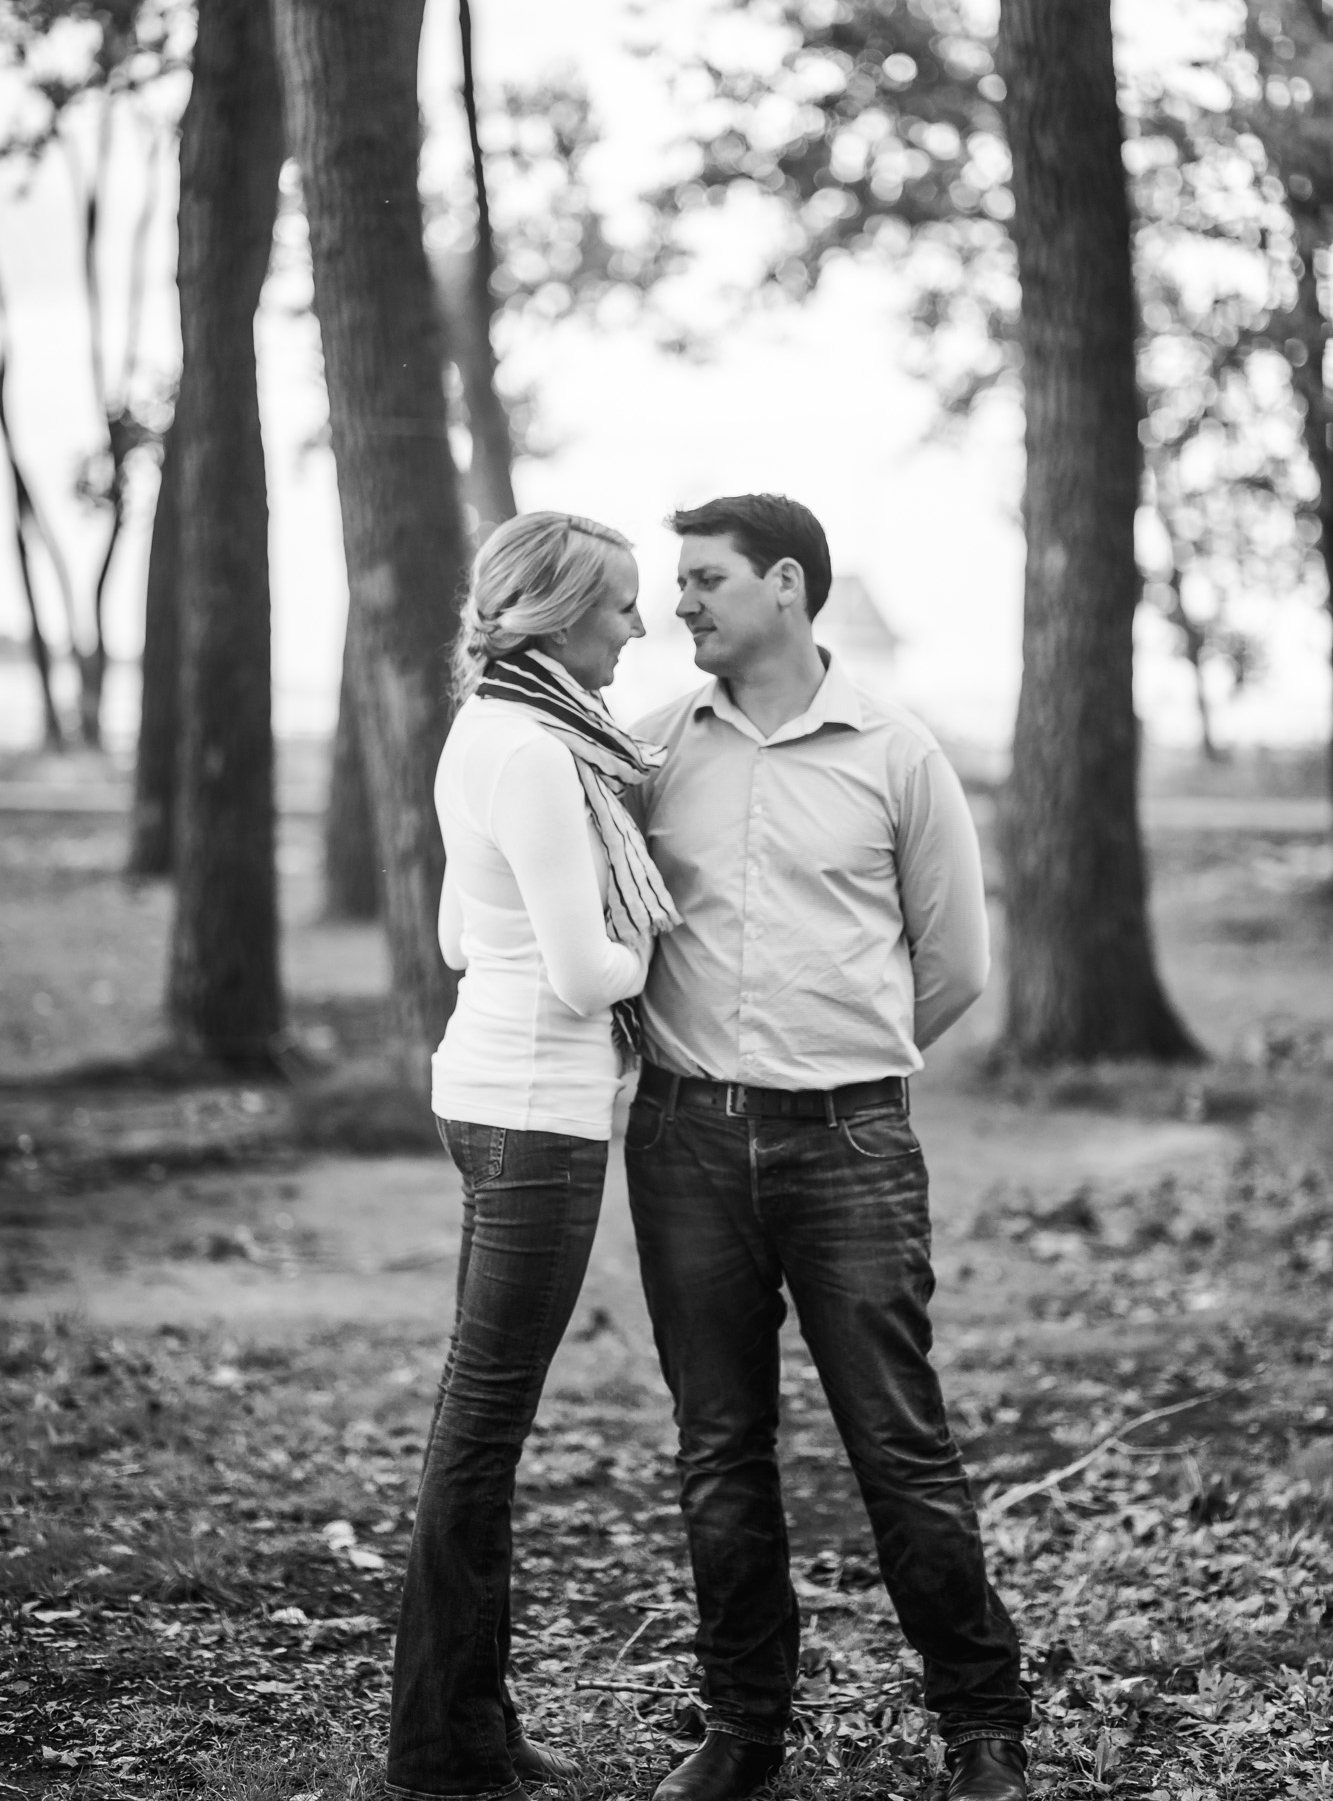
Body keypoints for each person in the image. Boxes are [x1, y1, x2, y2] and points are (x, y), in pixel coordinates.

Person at [625, 494, 1031, 1801]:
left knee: (897, 1444)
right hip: (683, 1144)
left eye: (703, 580)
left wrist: (835, 1065)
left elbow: (956, 967)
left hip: (849, 1142)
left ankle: (981, 1727)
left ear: (784, 586)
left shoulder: (895, 752)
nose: (676, 602)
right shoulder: (648, 750)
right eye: (676, 581)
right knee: (716, 1449)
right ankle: (742, 1730)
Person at [387, 511, 679, 1801]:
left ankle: (471, 1724)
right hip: (536, 1111)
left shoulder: (487, 733)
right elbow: (583, 974)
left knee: (482, 1417)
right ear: (559, 614)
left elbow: (461, 937)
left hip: (485, 1089)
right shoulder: (547, 759)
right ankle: (445, 1744)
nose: (638, 626)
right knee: (485, 1423)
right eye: (618, 605)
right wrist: (654, 941)